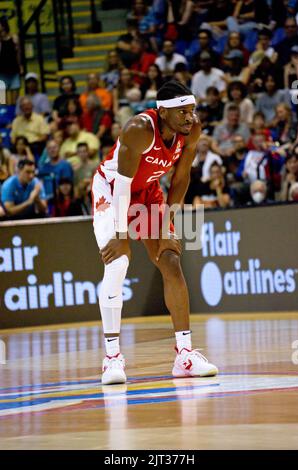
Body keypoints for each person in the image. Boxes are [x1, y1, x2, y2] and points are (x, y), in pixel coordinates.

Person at [91, 80, 218, 385]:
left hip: (148, 192)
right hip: (111, 191)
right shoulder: (139, 129)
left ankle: (185, 355)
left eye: (192, 111)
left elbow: (181, 177)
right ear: (162, 112)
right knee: (118, 262)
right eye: (183, 112)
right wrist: (122, 236)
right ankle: (112, 358)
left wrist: (166, 224)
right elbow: (121, 184)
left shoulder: (192, 130)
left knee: (170, 258)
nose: (190, 117)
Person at [0, 16, 21, 105]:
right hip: (2, 72)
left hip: (13, 71)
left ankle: (14, 115)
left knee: (15, 100)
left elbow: (18, 53)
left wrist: (20, 66)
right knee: (2, 100)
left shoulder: (14, 38)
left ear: (4, 26)